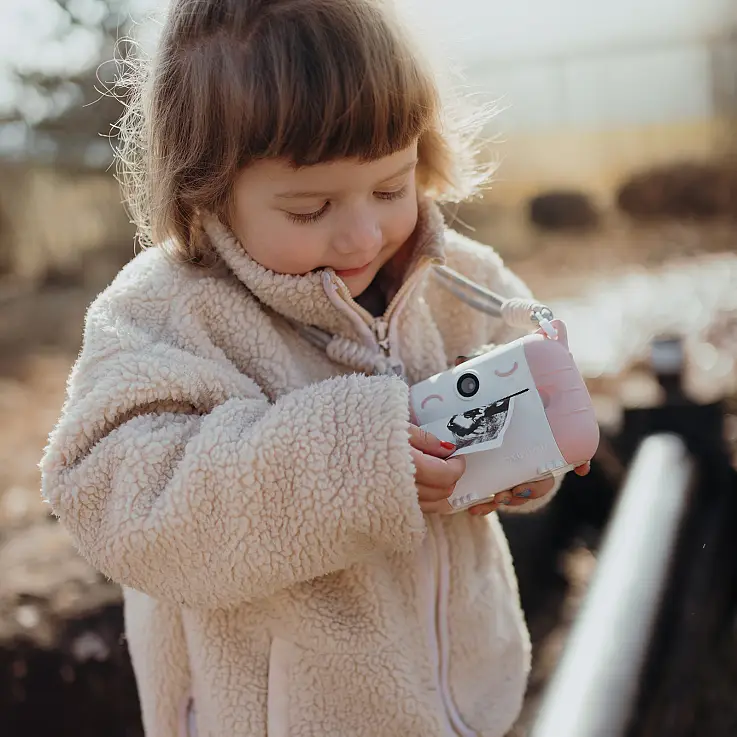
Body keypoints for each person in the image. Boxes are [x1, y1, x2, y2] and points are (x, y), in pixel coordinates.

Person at [40, 1, 590, 735]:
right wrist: (352, 458)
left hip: (460, 703)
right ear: (205, 187)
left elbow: (517, 377)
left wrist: (522, 457)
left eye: (391, 187)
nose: (363, 232)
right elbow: (115, 494)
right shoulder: (168, 314)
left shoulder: (456, 278)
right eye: (309, 208)